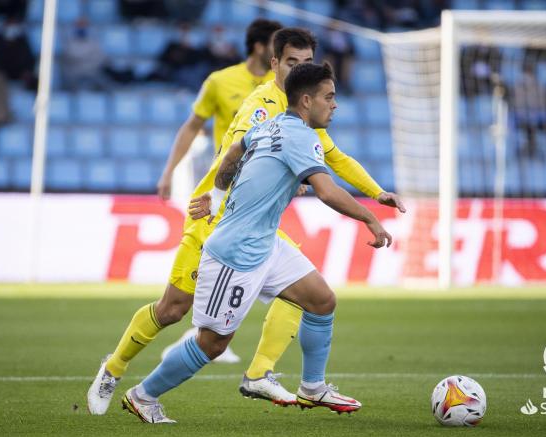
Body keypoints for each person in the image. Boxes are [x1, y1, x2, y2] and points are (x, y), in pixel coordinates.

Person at [87, 27, 405, 416]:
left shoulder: (298, 124)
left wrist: (364, 189)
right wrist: (369, 218)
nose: (335, 104)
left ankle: (303, 383)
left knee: (320, 299)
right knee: (192, 326)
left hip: (261, 232)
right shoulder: (263, 106)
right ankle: (133, 385)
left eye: (306, 65)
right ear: (279, 68)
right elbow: (314, 184)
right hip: (227, 235)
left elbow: (248, 149)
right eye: (328, 96)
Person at [157, 18, 283, 199]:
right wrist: (168, 172)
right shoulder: (219, 81)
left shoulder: (283, 83)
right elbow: (192, 127)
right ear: (259, 47)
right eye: (275, 46)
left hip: (268, 184)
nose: (279, 53)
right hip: (226, 181)